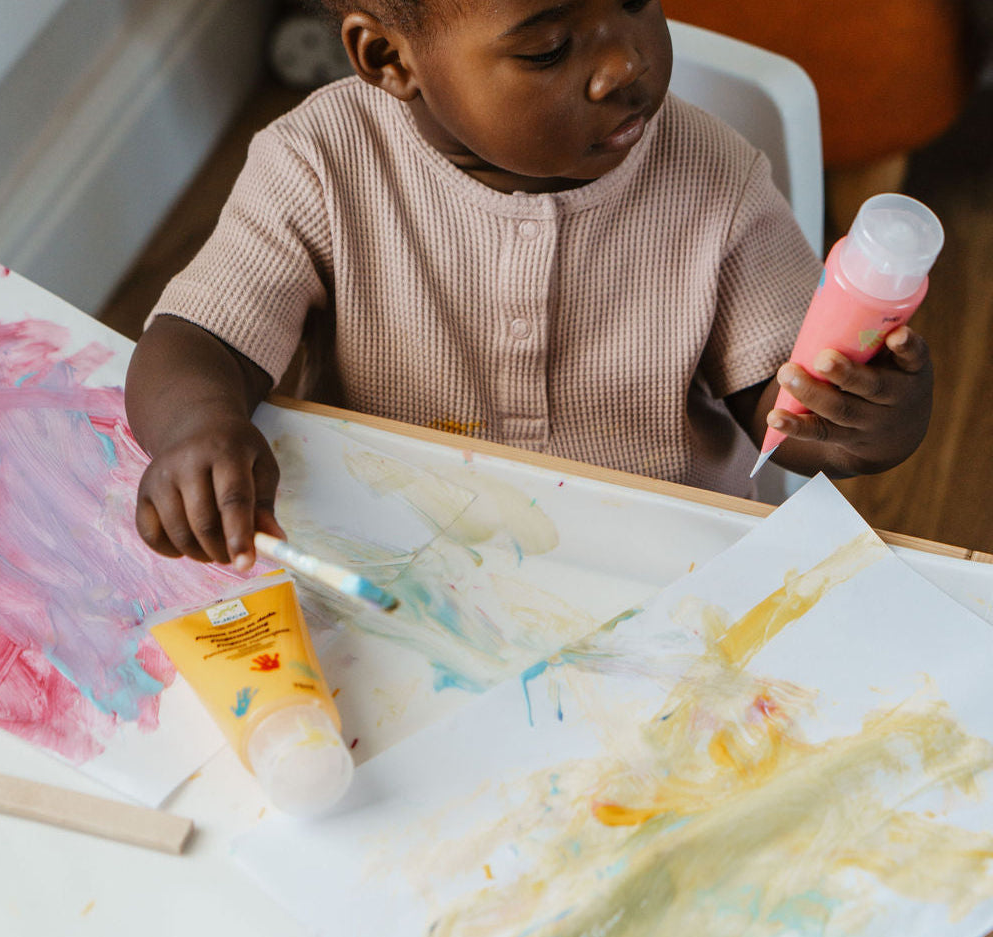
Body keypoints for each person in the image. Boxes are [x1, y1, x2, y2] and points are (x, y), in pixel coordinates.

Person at [124, 0, 933, 573]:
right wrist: (197, 427)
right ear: (388, 60)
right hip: (395, 560)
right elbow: (198, 340)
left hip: (661, 580)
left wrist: (870, 419)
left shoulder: (714, 178)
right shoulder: (321, 162)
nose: (627, 62)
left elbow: (789, 416)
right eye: (548, 49)